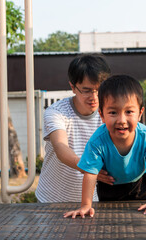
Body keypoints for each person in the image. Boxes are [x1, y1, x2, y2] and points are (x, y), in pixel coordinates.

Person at [64, 75, 146, 218]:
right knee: (110, 220)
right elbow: (90, 174)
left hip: (140, 184)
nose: (121, 120)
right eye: (113, 112)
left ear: (140, 113)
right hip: (109, 187)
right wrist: (86, 205)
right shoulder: (98, 141)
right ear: (101, 115)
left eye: (129, 112)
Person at [35, 54, 114, 203]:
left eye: (99, 89)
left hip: (92, 201)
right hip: (52, 200)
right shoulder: (56, 112)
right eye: (86, 90)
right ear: (73, 87)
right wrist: (88, 168)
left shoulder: (110, 113)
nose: (94, 96)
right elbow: (60, 147)